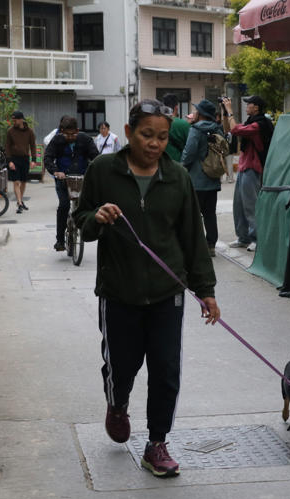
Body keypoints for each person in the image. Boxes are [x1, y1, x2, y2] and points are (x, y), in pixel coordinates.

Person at [73, 99, 221, 478]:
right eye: (146, 135)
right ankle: (117, 403)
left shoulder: (178, 178)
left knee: (166, 368)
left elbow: (192, 236)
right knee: (121, 365)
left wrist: (206, 290)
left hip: (166, 291)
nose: (155, 143)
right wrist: (97, 218)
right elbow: (81, 222)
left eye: (161, 137)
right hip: (119, 291)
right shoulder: (103, 170)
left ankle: (157, 443)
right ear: (128, 133)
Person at [221, 95, 274, 252]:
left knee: (251, 206)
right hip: (244, 167)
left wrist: (230, 110)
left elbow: (236, 130)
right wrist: (224, 112)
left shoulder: (260, 124)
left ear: (256, 107)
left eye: (248, 104)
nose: (246, 106)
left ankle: (257, 239)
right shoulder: (251, 122)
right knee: (239, 205)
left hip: (253, 167)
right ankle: (243, 238)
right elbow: (228, 129)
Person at [43, 115, 99, 252]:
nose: (70, 137)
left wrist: (93, 171)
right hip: (63, 180)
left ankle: (85, 231)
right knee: (64, 206)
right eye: (67, 134)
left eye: (73, 134)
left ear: (78, 130)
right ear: (61, 132)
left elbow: (96, 157)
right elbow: (48, 158)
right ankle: (60, 240)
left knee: (85, 206)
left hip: (82, 179)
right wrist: (56, 172)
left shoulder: (85, 139)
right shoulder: (57, 140)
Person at [181, 99, 224, 257]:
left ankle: (195, 245)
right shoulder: (217, 129)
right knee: (210, 213)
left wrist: (182, 165)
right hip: (212, 178)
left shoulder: (196, 129)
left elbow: (189, 152)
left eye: (197, 110)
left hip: (196, 180)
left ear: (201, 113)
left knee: (194, 214)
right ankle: (211, 244)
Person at [4, 110, 36, 214]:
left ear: (21, 119)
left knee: (23, 181)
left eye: (16, 120)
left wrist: (34, 160)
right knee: (16, 181)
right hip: (14, 159)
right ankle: (19, 203)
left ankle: (20, 201)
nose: (14, 122)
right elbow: (7, 147)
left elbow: (33, 146)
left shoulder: (29, 131)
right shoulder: (10, 131)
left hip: (25, 158)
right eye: (13, 120)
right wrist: (9, 161)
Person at [161, 93, 190, 162]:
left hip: (158, 165)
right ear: (176, 107)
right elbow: (191, 148)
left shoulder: (157, 123)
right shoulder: (184, 124)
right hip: (177, 165)